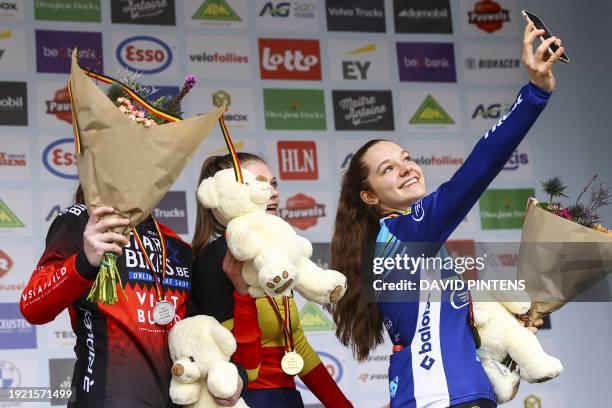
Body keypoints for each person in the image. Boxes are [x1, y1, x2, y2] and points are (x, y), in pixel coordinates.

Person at [329, 22, 562, 408]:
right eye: (387, 169)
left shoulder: (388, 243)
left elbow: (434, 326)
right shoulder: (407, 232)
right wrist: (535, 93)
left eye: (406, 158)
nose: (406, 168)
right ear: (369, 196)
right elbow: (478, 168)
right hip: (447, 398)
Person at [20, 191, 246, 408]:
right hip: (107, 398)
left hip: (177, 398)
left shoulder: (176, 244)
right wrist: (85, 262)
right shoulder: (83, 222)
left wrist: (235, 373)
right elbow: (34, 307)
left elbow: (197, 330)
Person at [190, 153, 353, 408]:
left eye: (273, 183)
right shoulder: (215, 261)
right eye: (258, 182)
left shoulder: (276, 256)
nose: (271, 191)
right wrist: (242, 295)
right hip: (245, 400)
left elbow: (295, 341)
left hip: (287, 397)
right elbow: (242, 366)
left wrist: (342, 405)